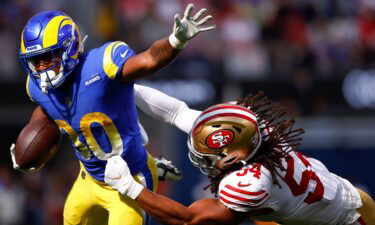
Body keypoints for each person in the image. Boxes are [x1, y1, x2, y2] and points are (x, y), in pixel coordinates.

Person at [11, 4, 215, 225]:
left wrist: (175, 41)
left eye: (48, 58)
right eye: (35, 61)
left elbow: (150, 59)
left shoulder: (100, 66)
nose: (42, 69)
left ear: (69, 48)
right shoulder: (36, 88)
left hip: (128, 177)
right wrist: (27, 149)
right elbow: (43, 113)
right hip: (88, 178)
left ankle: (151, 165)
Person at [104, 87, 375, 225]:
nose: (202, 159)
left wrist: (128, 187)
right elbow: (177, 112)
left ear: (235, 158)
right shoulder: (251, 131)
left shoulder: (252, 183)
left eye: (208, 156)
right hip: (322, 201)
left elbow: (187, 219)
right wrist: (123, 88)